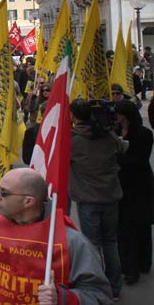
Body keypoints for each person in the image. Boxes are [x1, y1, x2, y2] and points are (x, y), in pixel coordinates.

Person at [0, 168, 113, 305]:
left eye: (4, 193)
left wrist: (61, 298)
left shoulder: (71, 243)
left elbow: (100, 296)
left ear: (28, 201)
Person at [69, 98, 127, 300]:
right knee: (110, 242)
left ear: (74, 116)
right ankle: (115, 288)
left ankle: (97, 288)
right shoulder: (108, 135)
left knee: (92, 245)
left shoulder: (73, 140)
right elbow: (123, 147)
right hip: (111, 196)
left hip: (88, 199)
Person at [114, 100, 153, 285]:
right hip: (121, 185)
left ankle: (143, 261)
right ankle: (130, 267)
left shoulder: (144, 134)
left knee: (141, 225)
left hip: (140, 185)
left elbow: (139, 160)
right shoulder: (113, 132)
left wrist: (118, 157)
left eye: (119, 113)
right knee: (125, 227)